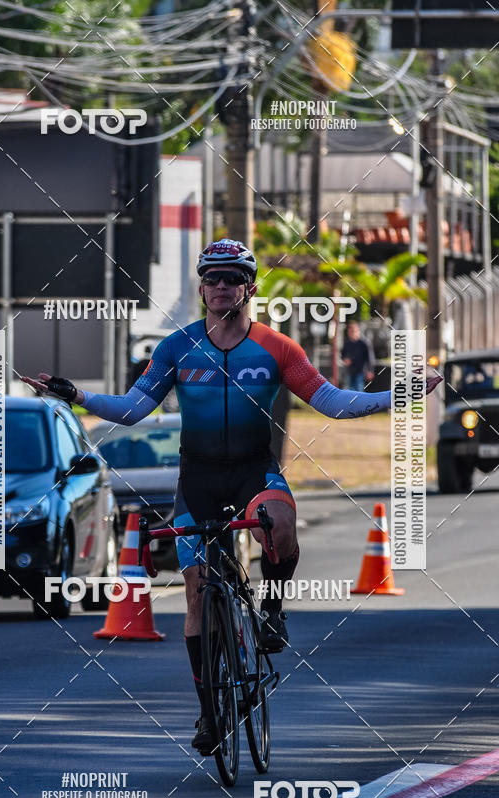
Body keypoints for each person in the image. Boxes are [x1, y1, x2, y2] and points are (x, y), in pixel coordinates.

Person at [22, 238, 442, 755]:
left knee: (277, 522)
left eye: (232, 279)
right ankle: (207, 713)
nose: (221, 287)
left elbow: (332, 402)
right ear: (202, 289)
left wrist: (399, 392)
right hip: (196, 479)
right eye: (212, 279)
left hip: (253, 472)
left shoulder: (278, 348)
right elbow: (134, 410)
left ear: (249, 287)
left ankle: (272, 607)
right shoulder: (175, 348)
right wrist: (77, 395)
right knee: (197, 594)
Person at [341, 321, 375, 392]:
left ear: (358, 331)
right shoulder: (347, 343)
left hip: (361, 371)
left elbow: (370, 358)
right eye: (350, 332)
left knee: (359, 391)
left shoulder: (365, 343)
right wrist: (345, 359)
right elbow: (343, 354)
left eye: (353, 331)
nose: (351, 333)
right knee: (350, 391)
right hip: (349, 371)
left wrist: (370, 370)